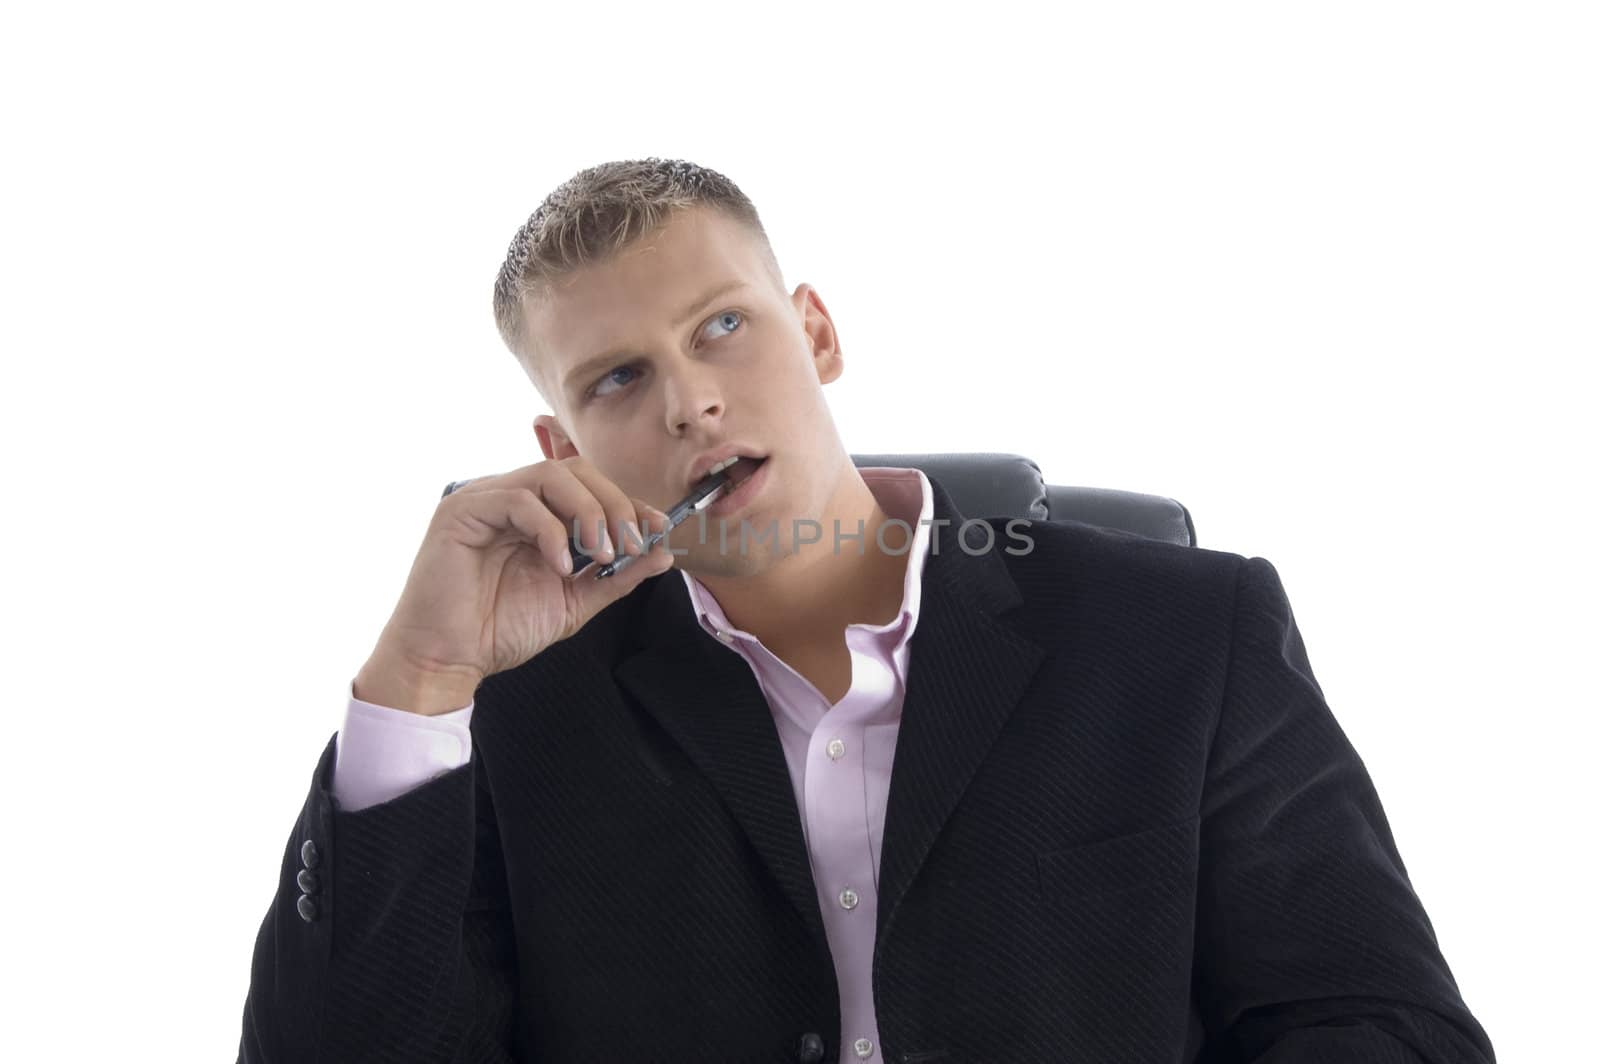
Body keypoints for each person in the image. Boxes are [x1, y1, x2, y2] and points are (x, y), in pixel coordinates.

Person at [235, 158, 1496, 1063]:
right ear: (564, 443)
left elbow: (1380, 1019)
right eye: (622, 379)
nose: (689, 405)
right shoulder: (506, 712)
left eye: (721, 327)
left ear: (817, 330)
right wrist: (417, 676)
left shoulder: (1180, 633)